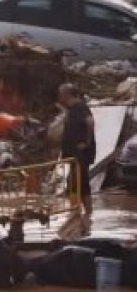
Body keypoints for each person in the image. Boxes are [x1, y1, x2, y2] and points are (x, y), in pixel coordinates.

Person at [59, 83, 96, 220]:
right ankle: (80, 213)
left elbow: (90, 122)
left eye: (61, 93)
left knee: (78, 183)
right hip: (73, 154)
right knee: (77, 183)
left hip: (80, 154)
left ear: (67, 94)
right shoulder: (70, 109)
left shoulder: (80, 107)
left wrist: (87, 142)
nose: (59, 96)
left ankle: (81, 213)